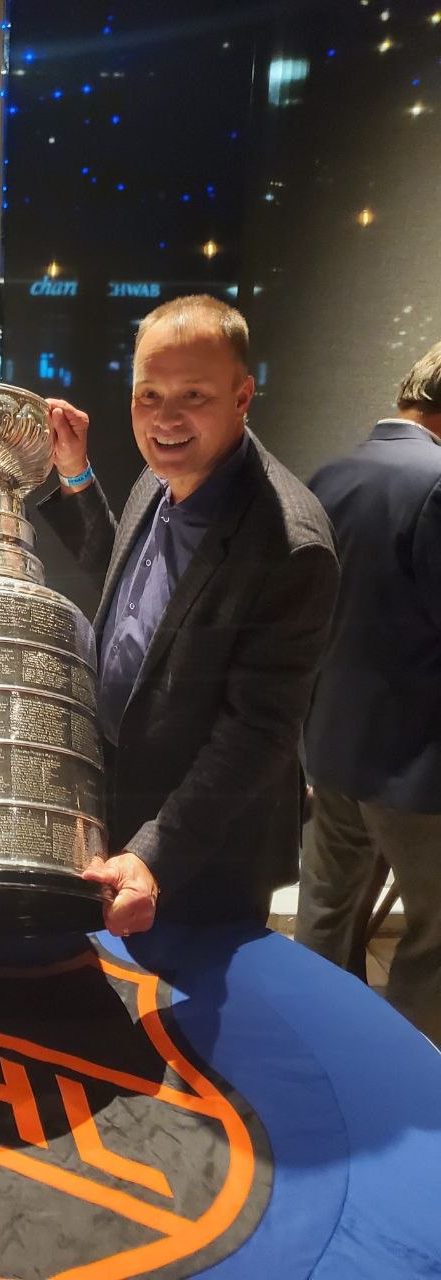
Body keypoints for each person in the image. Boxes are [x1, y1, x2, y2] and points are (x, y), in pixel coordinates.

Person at [40, 294, 339, 936]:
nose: (165, 418)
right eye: (148, 395)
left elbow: (256, 734)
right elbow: (125, 581)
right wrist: (75, 475)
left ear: (242, 395)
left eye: (193, 396)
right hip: (120, 797)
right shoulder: (159, 477)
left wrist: (155, 855)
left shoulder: (290, 544)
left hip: (204, 848)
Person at [295, 342, 441, 1043]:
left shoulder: (329, 476)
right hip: (418, 765)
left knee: (326, 911)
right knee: (435, 934)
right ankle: (410, 1070)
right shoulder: (437, 483)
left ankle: (319, 1045)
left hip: (331, 745)